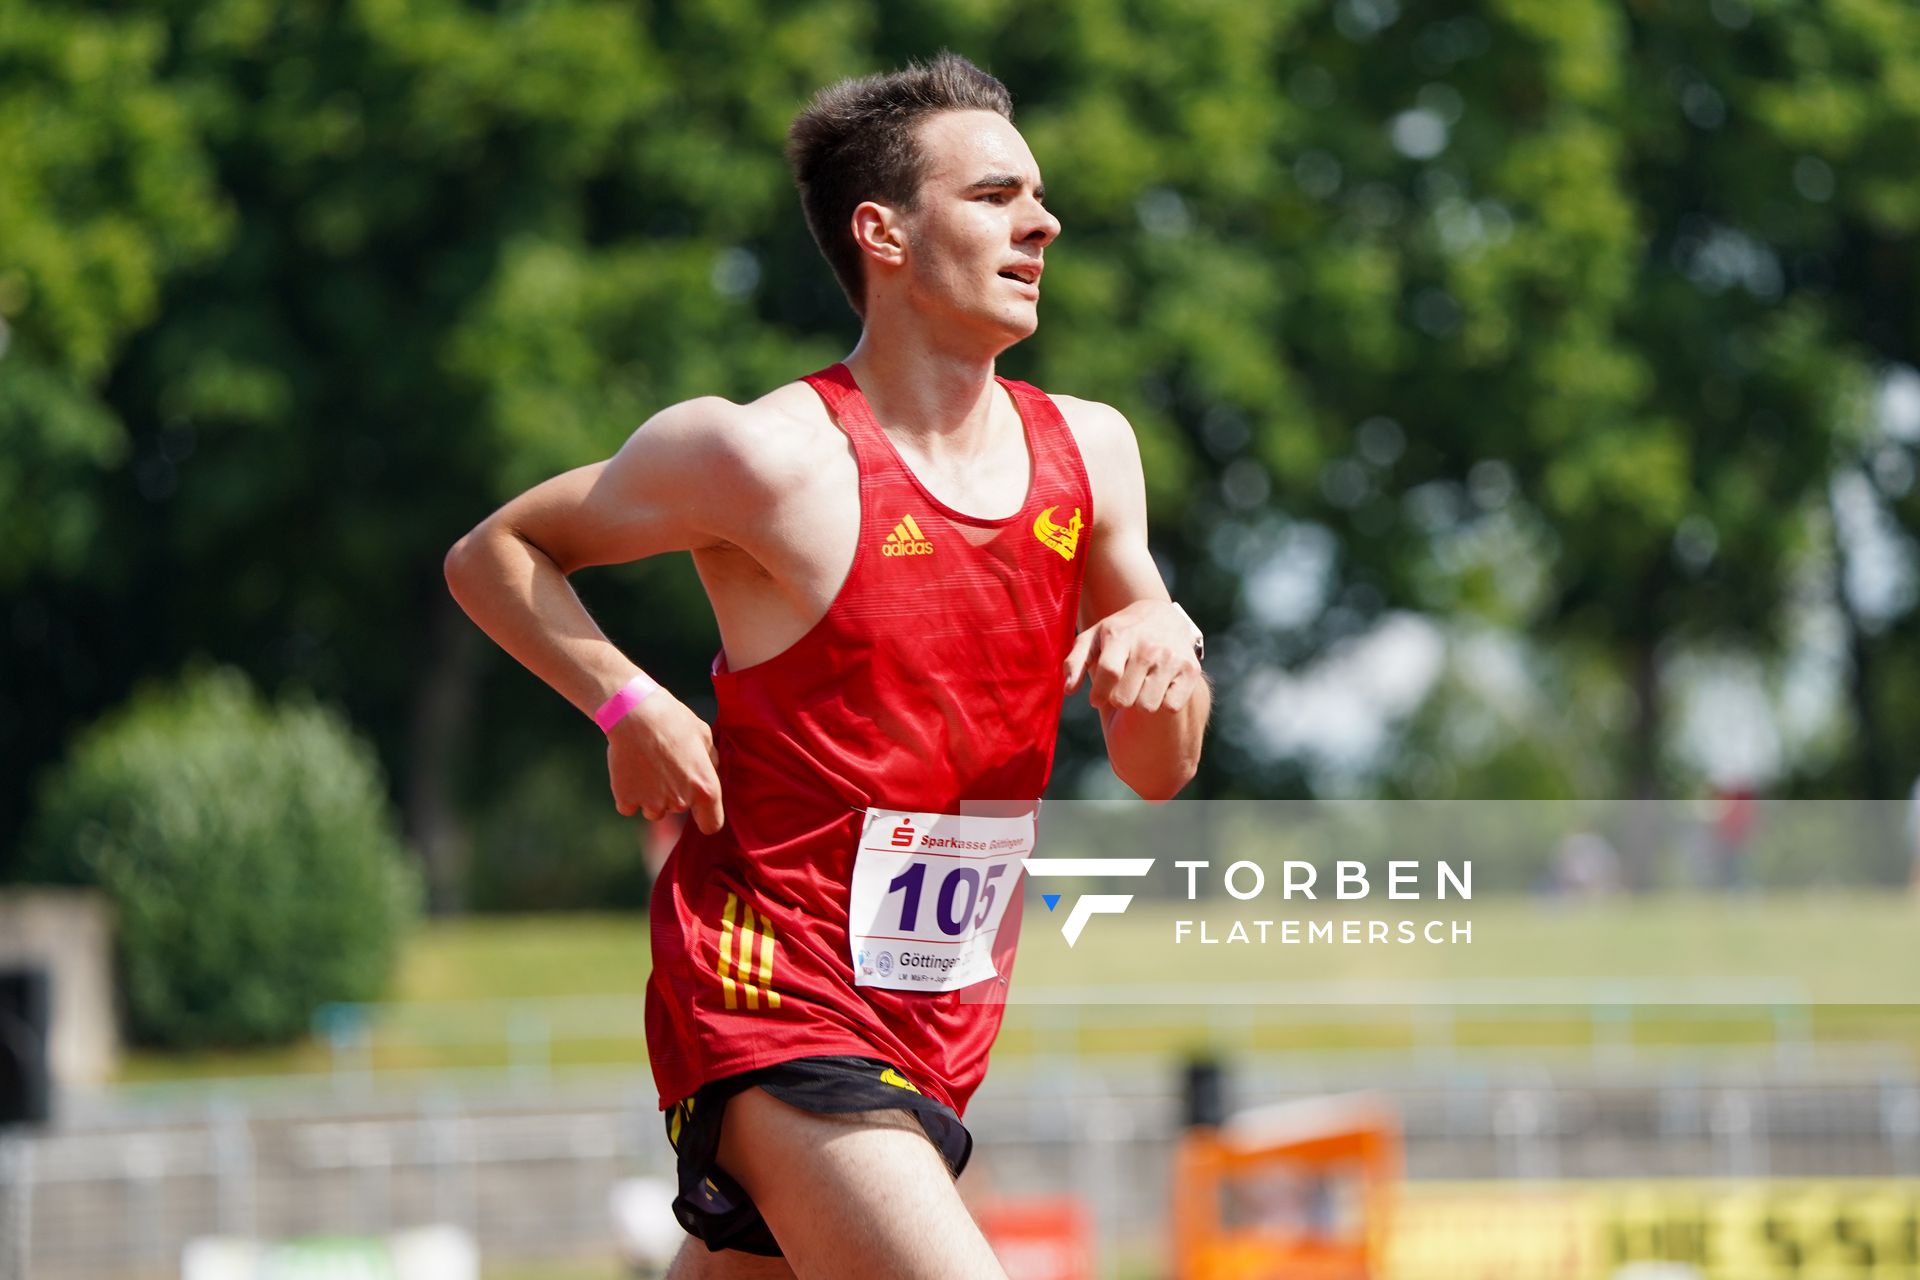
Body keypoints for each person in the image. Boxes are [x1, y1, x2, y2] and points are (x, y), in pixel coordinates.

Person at [445, 52, 1209, 1279]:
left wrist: (1167, 644)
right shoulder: (763, 457)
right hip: (771, 984)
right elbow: (496, 552)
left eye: (1040, 196)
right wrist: (627, 700)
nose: (1044, 221)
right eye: (996, 194)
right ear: (883, 232)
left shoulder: (1096, 453)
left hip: (941, 1018)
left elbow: (1159, 769)